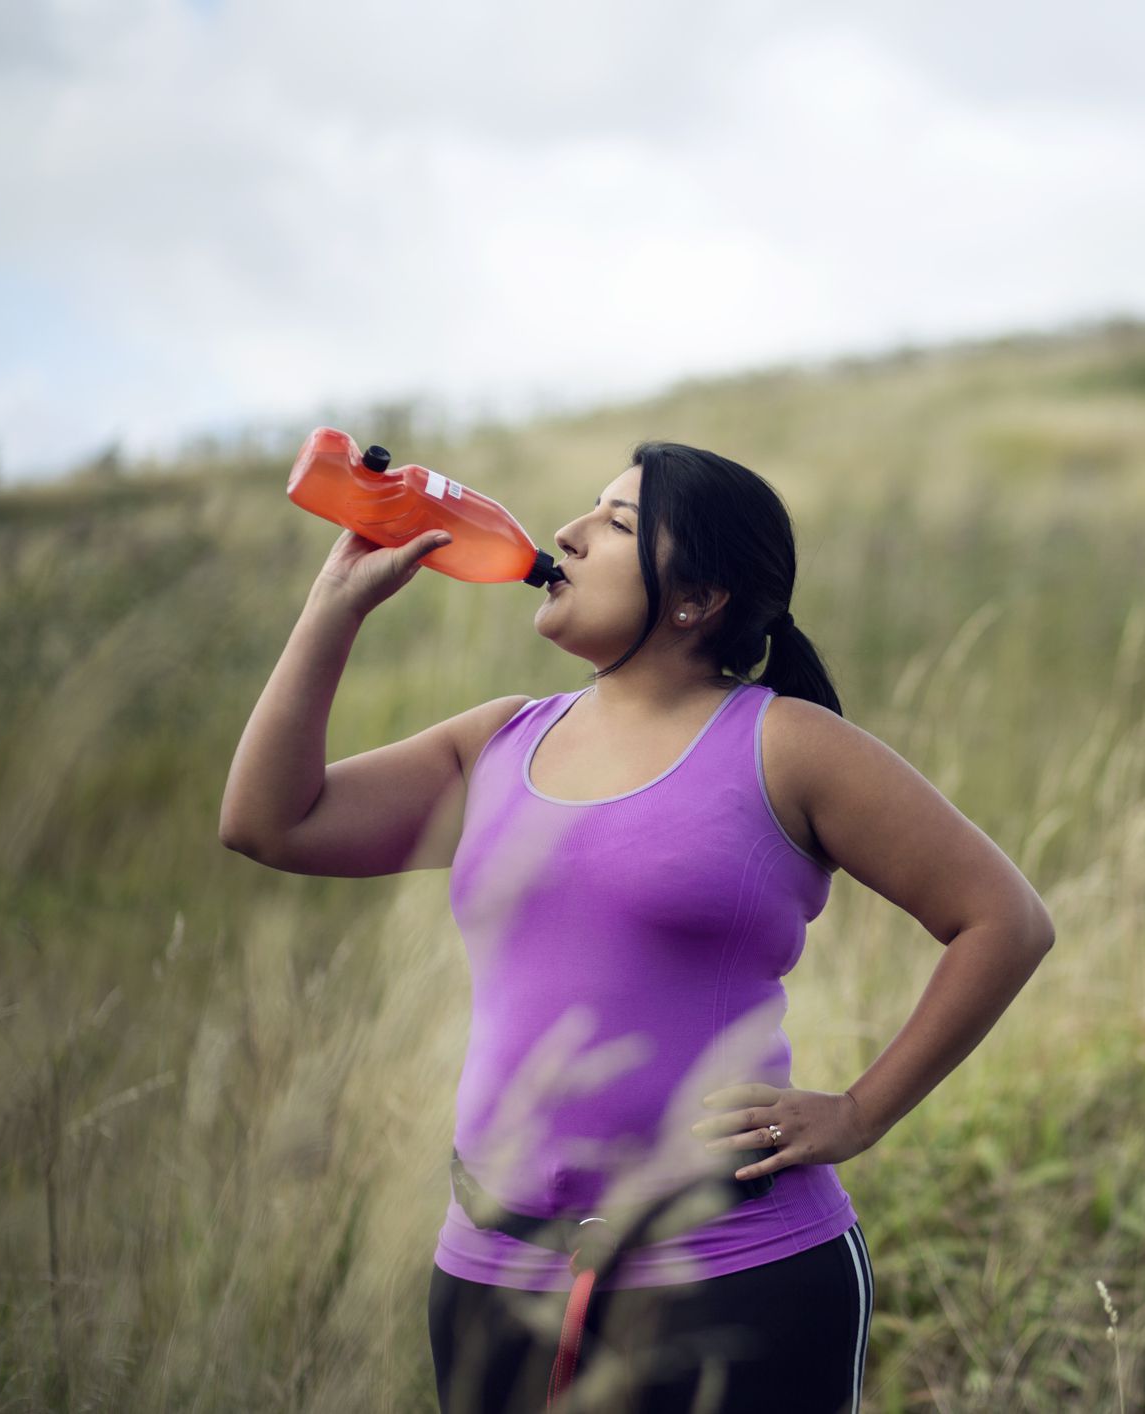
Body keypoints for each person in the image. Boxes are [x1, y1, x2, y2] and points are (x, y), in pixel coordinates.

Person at [219, 440, 1057, 1412]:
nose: (566, 533)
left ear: (696, 598)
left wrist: (860, 1112)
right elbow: (270, 822)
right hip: (496, 1274)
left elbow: (1006, 919)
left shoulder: (786, 743)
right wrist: (334, 612)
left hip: (738, 1273)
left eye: (616, 523)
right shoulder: (496, 741)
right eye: (587, 510)